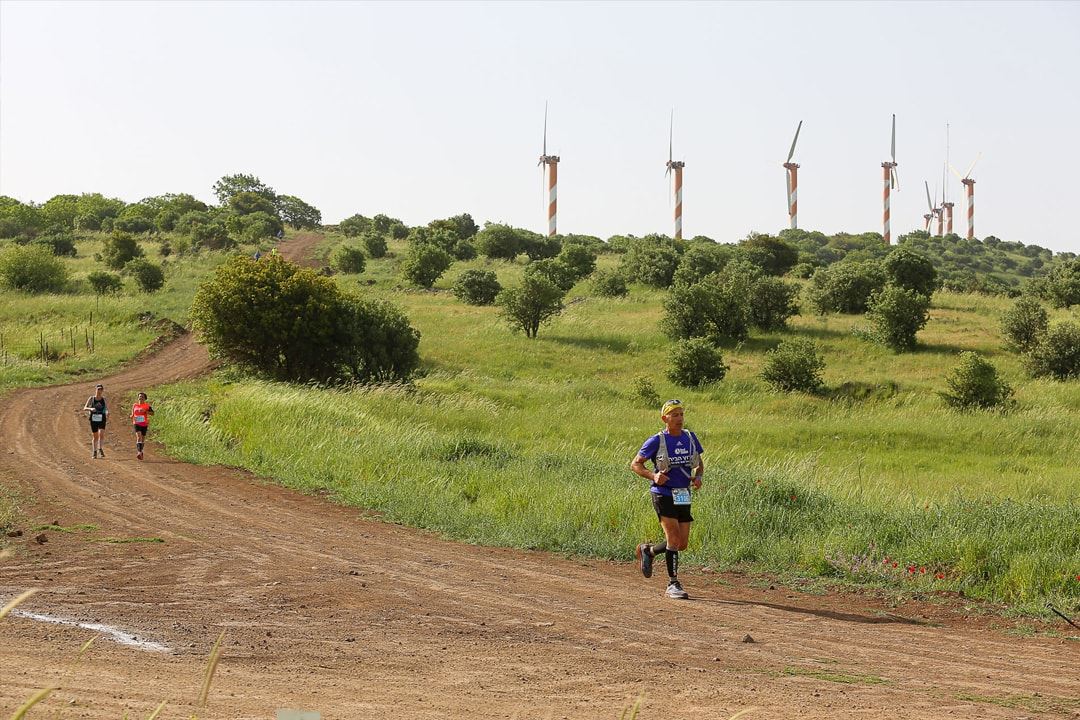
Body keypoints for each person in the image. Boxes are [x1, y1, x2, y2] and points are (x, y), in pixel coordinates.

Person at [630, 399, 704, 600]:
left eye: (681, 414)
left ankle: (649, 551)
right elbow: (636, 464)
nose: (679, 418)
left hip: (682, 494)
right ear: (665, 418)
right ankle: (673, 584)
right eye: (675, 415)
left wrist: (698, 477)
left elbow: (699, 464)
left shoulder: (690, 438)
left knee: (682, 543)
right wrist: (653, 476)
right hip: (662, 493)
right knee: (673, 538)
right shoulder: (656, 440)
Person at [83, 384, 109, 458]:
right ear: (96, 389)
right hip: (94, 418)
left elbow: (106, 408)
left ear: (102, 390)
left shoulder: (104, 399)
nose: (99, 391)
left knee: (101, 434)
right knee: (95, 436)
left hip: (102, 418)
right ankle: (94, 451)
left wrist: (107, 412)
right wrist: (90, 409)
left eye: (101, 389)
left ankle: (100, 449)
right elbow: (85, 407)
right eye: (98, 389)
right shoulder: (91, 398)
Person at [130, 392, 155, 460]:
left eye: (142, 397)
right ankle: (139, 452)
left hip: (144, 423)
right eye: (140, 396)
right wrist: (132, 416)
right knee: (139, 437)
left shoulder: (147, 406)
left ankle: (141, 451)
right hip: (136, 422)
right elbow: (132, 413)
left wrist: (146, 412)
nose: (140, 398)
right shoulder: (134, 405)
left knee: (143, 439)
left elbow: (152, 413)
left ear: (145, 399)